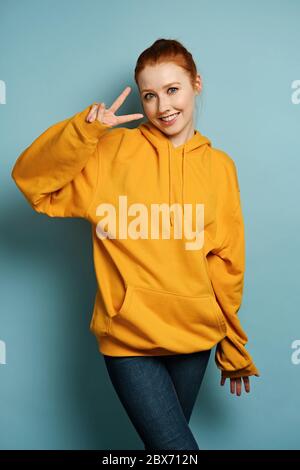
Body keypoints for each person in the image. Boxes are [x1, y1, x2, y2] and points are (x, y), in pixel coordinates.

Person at [11, 38, 260, 450]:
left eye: (172, 89)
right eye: (150, 95)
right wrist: (83, 132)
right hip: (128, 339)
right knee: (178, 453)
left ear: (196, 83)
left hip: (193, 340)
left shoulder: (220, 168)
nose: (163, 106)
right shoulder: (110, 151)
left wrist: (232, 344)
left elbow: (228, 262)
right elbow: (32, 182)